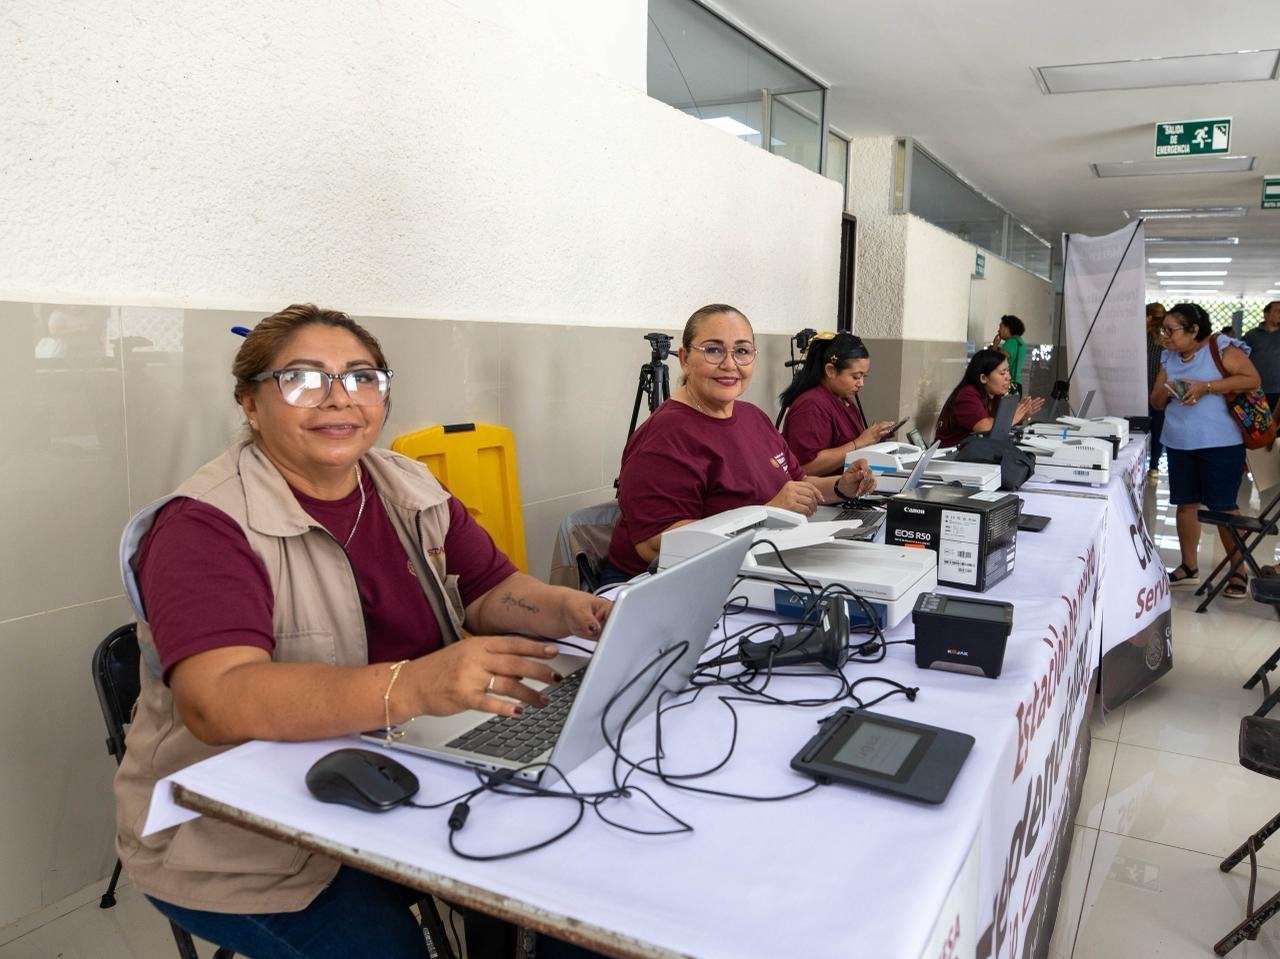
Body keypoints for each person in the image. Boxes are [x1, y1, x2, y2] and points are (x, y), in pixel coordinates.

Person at [113, 304, 612, 958]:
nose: (338, 398)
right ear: (250, 404)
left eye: (362, 377)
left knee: (577, 882)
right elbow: (217, 698)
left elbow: (492, 590)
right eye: (302, 378)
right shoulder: (202, 525)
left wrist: (575, 610)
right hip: (244, 842)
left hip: (403, 758)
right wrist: (415, 684)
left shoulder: (407, 484)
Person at [603, 304, 877, 581]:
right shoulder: (664, 436)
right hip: (671, 583)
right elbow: (654, 545)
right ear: (684, 359)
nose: (729, 364)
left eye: (742, 351)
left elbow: (798, 483)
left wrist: (841, 486)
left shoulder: (752, 416)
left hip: (753, 565)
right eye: (713, 350)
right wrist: (766, 513)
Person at [1150, 302, 1261, 597]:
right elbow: (1156, 402)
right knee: (1186, 504)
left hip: (1221, 443)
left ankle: (1238, 571)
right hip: (1179, 442)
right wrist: (1167, 388)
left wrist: (1206, 387)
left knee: (1224, 507)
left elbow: (1252, 379)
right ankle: (1189, 566)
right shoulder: (1168, 356)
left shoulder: (1220, 348)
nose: (1164, 336)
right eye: (1163, 330)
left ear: (1193, 330)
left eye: (1170, 330)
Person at [777, 331, 896, 476]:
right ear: (830, 370)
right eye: (856, 377)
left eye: (864, 376)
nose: (861, 383)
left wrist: (874, 437)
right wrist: (860, 442)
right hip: (821, 489)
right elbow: (806, 467)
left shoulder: (843, 400)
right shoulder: (811, 406)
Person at [934, 349, 1044, 448]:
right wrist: (1012, 418)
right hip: (949, 456)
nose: (1008, 377)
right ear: (983, 378)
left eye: (1008, 371)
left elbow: (997, 425)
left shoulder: (994, 395)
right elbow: (984, 427)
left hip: (973, 452)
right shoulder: (966, 395)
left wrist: (1022, 415)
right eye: (1002, 373)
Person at [1243, 300, 1280, 413]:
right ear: (1266, 315)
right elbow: (1240, 357)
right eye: (1278, 311)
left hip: (1277, 390)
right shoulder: (1252, 335)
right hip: (1255, 389)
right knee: (1256, 421)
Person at [1145, 302, 1168, 480]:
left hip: (1140, 392)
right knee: (1158, 431)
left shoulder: (1138, 340)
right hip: (1159, 394)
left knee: (1137, 431)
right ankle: (1153, 467)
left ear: (1149, 317)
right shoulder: (1166, 342)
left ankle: (1136, 464)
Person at [991, 315, 1027, 395]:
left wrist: (994, 346)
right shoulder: (1020, 342)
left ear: (1007, 329)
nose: (998, 330)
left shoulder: (1011, 342)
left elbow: (996, 362)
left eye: (1001, 327)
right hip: (1017, 384)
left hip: (1008, 384)